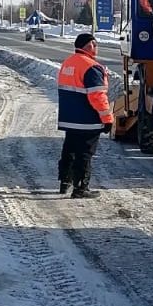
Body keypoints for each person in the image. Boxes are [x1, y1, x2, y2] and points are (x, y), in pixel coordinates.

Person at [57, 32, 113, 198]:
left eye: (95, 44)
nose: (95, 47)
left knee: (69, 149)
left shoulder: (67, 63)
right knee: (85, 153)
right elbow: (97, 96)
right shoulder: (92, 67)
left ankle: (65, 182)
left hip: (69, 118)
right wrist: (107, 118)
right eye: (91, 44)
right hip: (87, 120)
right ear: (83, 46)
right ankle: (81, 188)